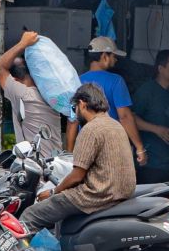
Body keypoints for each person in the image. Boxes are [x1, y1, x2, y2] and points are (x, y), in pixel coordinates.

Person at [21, 83, 136, 234]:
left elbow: (77, 176)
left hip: (97, 195)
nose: (75, 114)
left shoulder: (91, 129)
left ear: (81, 104)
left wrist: (53, 192)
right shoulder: (116, 125)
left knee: (30, 216)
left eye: (74, 109)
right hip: (119, 193)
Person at [66, 37, 147, 169]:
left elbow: (72, 120)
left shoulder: (77, 82)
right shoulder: (116, 81)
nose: (116, 60)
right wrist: (140, 148)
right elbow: (125, 117)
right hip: (111, 146)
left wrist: (69, 154)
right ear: (104, 56)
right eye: (114, 56)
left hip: (85, 147)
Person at [0, 31, 63, 157]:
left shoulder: (24, 94)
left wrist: (23, 43)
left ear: (16, 80)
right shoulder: (52, 95)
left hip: (36, 165)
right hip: (56, 162)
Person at [132, 50, 169, 184]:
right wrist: (156, 129)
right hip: (150, 164)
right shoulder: (147, 91)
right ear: (161, 68)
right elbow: (131, 119)